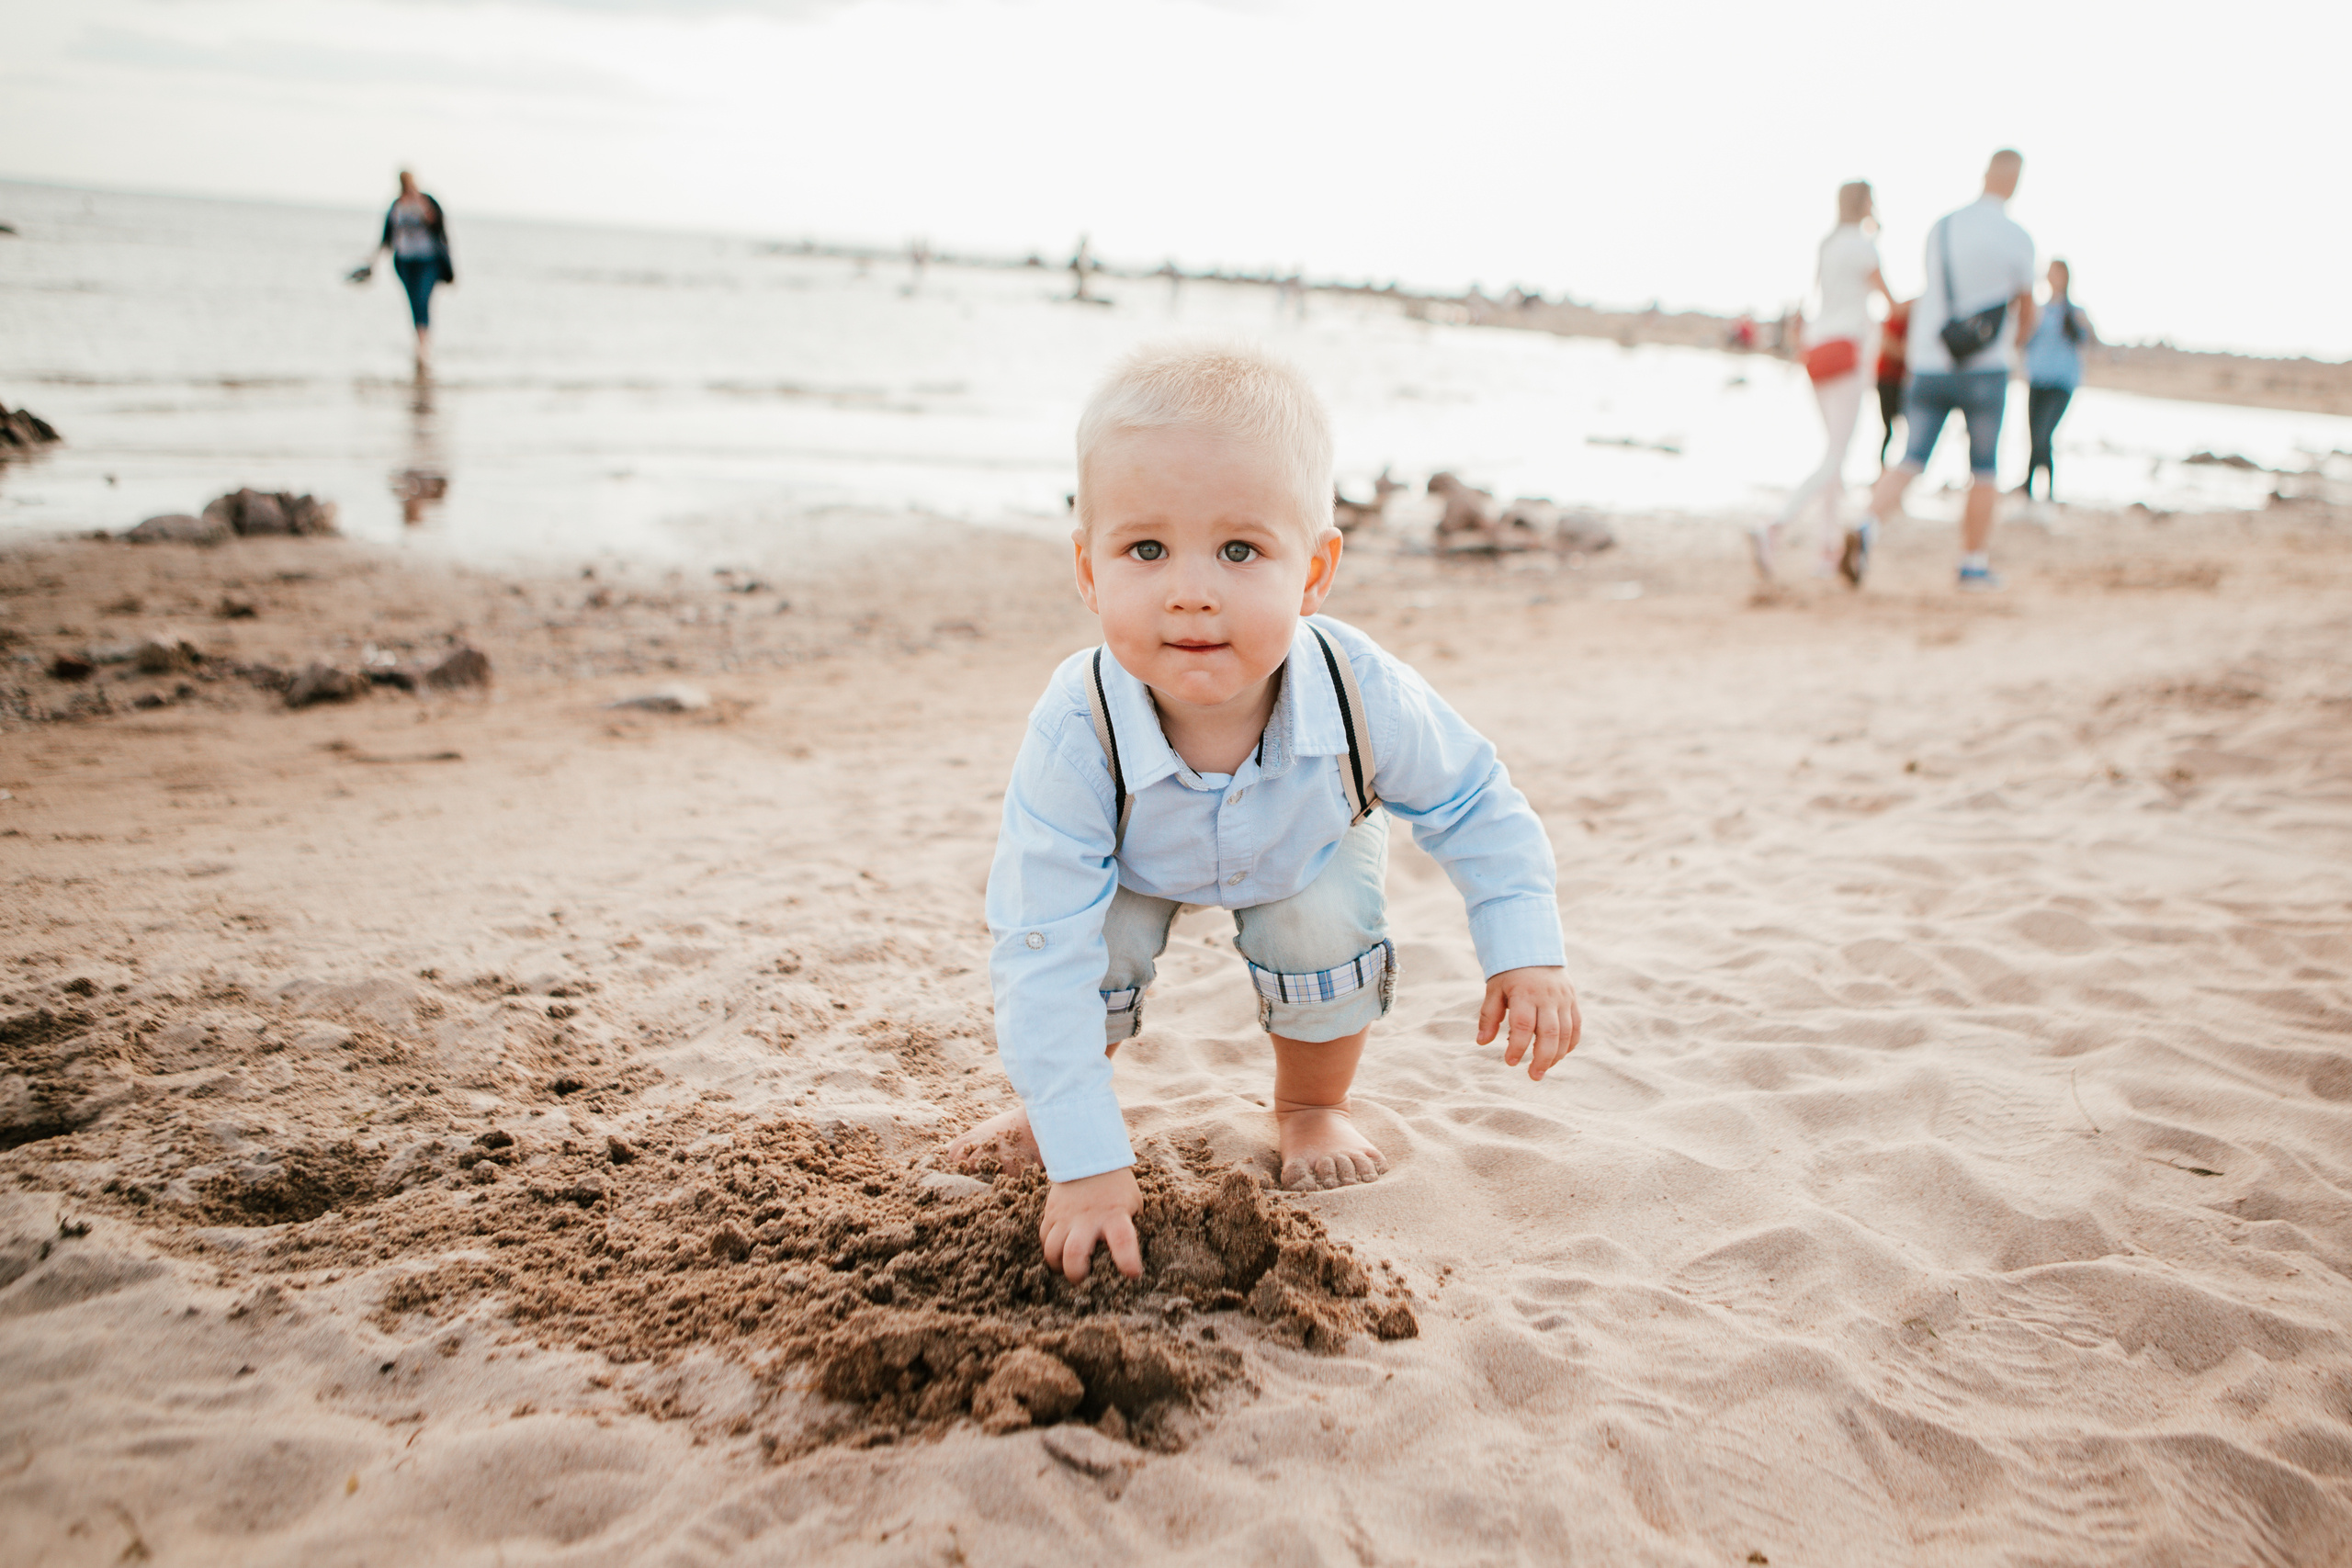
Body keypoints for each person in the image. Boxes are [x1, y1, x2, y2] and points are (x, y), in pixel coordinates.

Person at [948, 343, 1581, 1281]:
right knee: (1089, 959)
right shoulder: (1076, 726)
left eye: (1239, 550)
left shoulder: (1359, 687)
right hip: (1129, 860)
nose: (1191, 588)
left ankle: (1308, 1105)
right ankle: (1060, 1109)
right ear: (1088, 570)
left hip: (1304, 845)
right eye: (1146, 549)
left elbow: (1471, 797)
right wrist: (1088, 1163)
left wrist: (1525, 949)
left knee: (1320, 928)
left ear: (1315, 571)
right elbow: (1037, 938)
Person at [1848, 150, 2036, 592]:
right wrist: (2013, 347)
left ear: (1985, 173)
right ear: (2015, 182)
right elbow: (2028, 312)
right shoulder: (2016, 236)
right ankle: (1972, 563)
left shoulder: (1943, 226)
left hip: (1929, 362)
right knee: (1985, 469)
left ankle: (1865, 526)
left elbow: (1931, 289)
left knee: (1910, 458)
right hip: (1985, 369)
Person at [1748, 181, 1894, 580]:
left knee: (1834, 454)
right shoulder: (1864, 247)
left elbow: (1820, 298)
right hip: (1846, 353)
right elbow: (1889, 301)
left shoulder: (1828, 245)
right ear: (1865, 203)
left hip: (1816, 349)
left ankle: (1827, 552)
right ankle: (1774, 526)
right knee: (1835, 456)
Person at [355, 172, 454, 363]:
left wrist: (422, 208)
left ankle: (423, 344)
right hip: (404, 260)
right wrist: (373, 260)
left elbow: (440, 227)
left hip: (428, 260)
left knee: (423, 297)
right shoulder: (397, 205)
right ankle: (420, 341)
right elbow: (387, 236)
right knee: (413, 301)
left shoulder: (426, 201)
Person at [2021, 259, 2097, 501]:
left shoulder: (2074, 312)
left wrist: (2084, 326)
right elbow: (2022, 342)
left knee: (2044, 436)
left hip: (2061, 383)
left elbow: (2088, 340)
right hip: (2037, 381)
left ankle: (2046, 490)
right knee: (2035, 437)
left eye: (2058, 273)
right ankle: (2031, 490)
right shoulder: (2038, 310)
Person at [1876, 296, 1912, 465]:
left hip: (1903, 382)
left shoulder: (1914, 322)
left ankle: (1903, 467)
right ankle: (1883, 467)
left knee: (1908, 428)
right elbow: (1887, 345)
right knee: (1888, 429)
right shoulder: (1894, 320)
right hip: (1887, 380)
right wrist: (1909, 354)